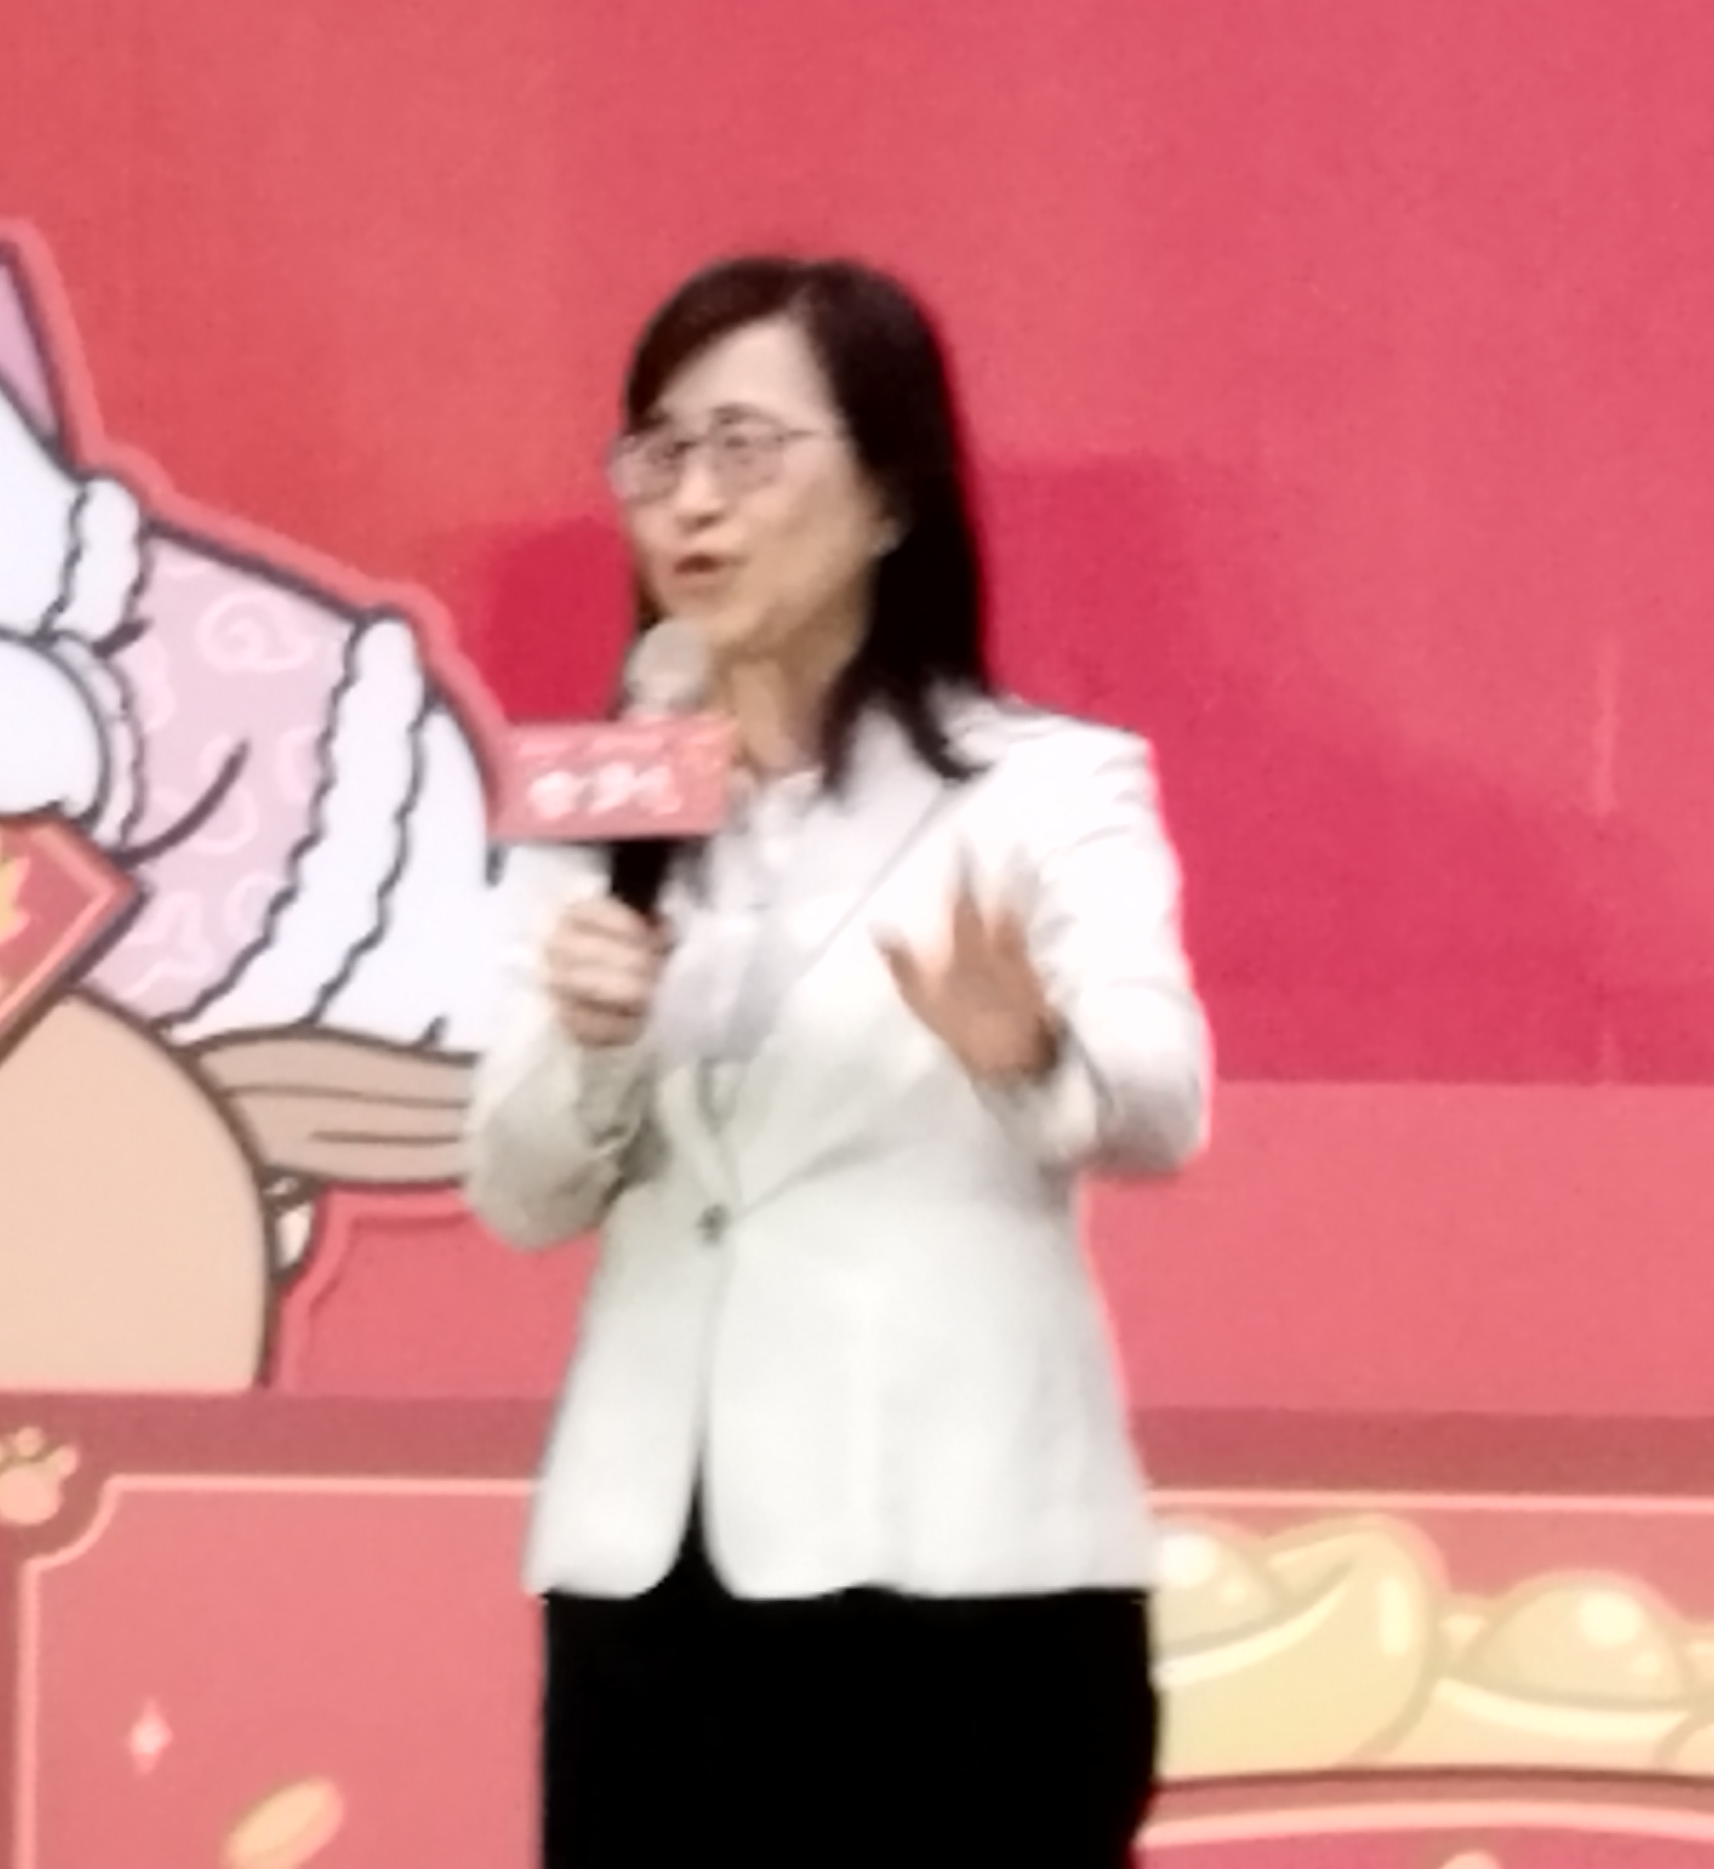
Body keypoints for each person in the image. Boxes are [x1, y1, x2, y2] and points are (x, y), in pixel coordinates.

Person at [464, 253, 1213, 1869]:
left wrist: (1032, 1052)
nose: (692, 502)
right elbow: (518, 1193)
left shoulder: (1042, 790)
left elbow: (1163, 1103)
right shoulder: (604, 805)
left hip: (960, 1568)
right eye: (660, 453)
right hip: (654, 1572)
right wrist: (593, 1045)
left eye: (746, 449)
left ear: (887, 497)